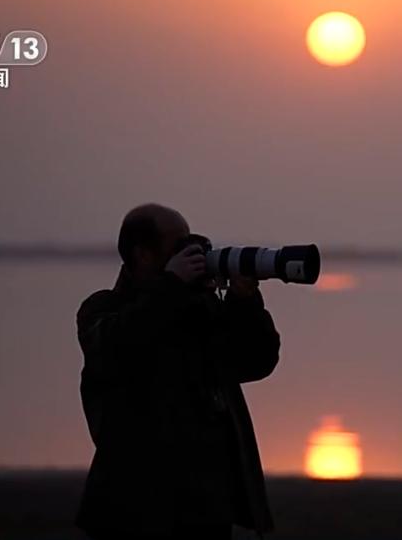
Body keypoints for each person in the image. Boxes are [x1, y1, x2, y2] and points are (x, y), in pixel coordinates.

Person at [75, 203, 279, 539]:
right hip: (133, 507)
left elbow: (256, 361)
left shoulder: (199, 311)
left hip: (206, 506)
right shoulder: (102, 310)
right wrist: (171, 285)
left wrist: (244, 301)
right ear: (142, 255)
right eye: (178, 246)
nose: (192, 253)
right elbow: (120, 345)